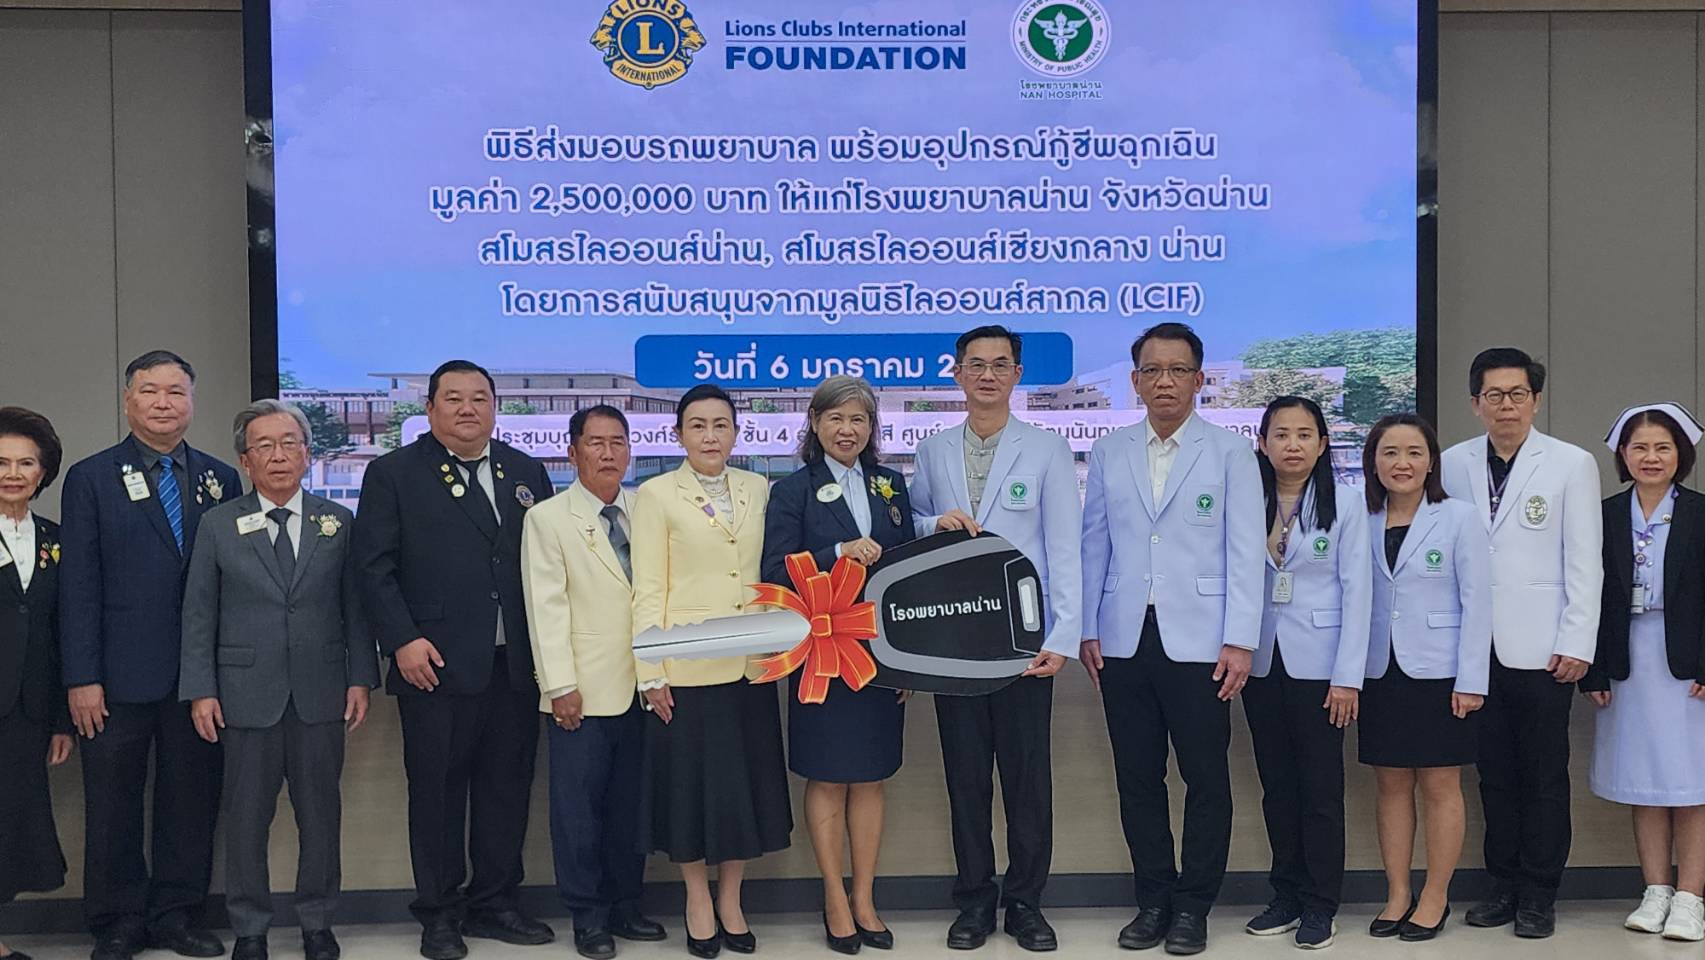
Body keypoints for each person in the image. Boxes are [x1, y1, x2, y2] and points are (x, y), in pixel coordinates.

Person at [352, 360, 556, 960]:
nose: (468, 409)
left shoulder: (525, 471)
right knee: (437, 794)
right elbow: (373, 568)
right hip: (433, 663)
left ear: (495, 407)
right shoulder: (394, 473)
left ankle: (495, 903)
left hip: (514, 664)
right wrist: (403, 640)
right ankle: (439, 913)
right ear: (431, 408)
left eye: (479, 398)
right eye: (454, 398)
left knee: (506, 790)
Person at [1080, 322, 1264, 956]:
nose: (1165, 382)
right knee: (1138, 778)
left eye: (1178, 370)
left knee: (1206, 779)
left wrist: (1240, 639)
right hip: (1124, 639)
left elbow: (1246, 551)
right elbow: (1095, 544)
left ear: (1199, 379)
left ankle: (1193, 906)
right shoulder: (1110, 450)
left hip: (1204, 643)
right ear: (1135, 381)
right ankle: (1154, 900)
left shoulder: (1231, 452)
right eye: (1153, 371)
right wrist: (1087, 628)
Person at [177, 401, 379, 960]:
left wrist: (361, 678)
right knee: (246, 820)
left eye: (290, 443)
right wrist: (201, 689)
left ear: (308, 454)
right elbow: (199, 613)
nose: (279, 455)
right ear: (245, 461)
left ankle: (318, 923)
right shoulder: (218, 524)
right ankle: (249, 928)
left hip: (322, 691)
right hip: (244, 695)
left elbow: (355, 608)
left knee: (321, 817)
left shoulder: (337, 521)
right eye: (264, 446)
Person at [58, 350, 241, 960]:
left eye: (176, 392)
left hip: (198, 677)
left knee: (191, 801)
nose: (164, 402)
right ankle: (117, 920)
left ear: (192, 401)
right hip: (113, 678)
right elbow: (78, 586)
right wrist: (82, 676)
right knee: (112, 805)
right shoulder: (91, 477)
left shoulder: (220, 478)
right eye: (150, 391)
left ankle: (176, 915)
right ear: (127, 400)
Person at [908, 326, 1081, 953]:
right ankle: (975, 901)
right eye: (975, 364)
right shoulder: (932, 450)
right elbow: (913, 529)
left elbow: (1064, 548)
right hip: (954, 640)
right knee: (966, 778)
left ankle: (1026, 902)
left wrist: (1062, 635)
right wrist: (934, 521)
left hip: (1024, 641)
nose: (987, 375)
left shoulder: (1047, 449)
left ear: (1016, 375)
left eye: (1000, 364)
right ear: (957, 373)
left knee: (1027, 779)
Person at [1439, 347, 1602, 938]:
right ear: (1475, 403)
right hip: (1473, 649)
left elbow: (1584, 560)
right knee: (1493, 775)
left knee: (1543, 776)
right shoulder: (1451, 463)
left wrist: (1578, 639)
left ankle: (1539, 892)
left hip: (1542, 648)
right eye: (1493, 395)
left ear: (1535, 400)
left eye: (1517, 394)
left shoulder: (1570, 463)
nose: (1505, 405)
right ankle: (1502, 885)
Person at [630, 384, 791, 959]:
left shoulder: (758, 488)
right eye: (697, 426)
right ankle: (697, 899)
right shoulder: (655, 495)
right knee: (691, 794)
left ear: (736, 433)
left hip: (750, 663)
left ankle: (731, 899)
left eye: (720, 425)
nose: (709, 436)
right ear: (678, 434)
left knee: (741, 792)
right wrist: (650, 671)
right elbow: (648, 587)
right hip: (687, 665)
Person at [761, 376, 913, 955]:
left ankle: (865, 898)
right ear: (815, 423)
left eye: (859, 420)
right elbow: (775, 572)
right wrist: (835, 554)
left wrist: (906, 663)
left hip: (879, 655)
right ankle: (833, 898)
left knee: (871, 775)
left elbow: (906, 574)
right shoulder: (792, 490)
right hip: (821, 655)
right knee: (827, 775)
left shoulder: (890, 484)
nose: (847, 430)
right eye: (836, 418)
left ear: (872, 428)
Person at [521, 405, 666, 960]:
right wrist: (560, 685)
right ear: (572, 451)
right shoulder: (548, 519)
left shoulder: (646, 508)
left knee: (631, 806)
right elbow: (546, 608)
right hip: (582, 689)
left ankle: (627, 905)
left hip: (645, 685)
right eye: (596, 443)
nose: (608, 453)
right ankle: (588, 917)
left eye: (618, 442)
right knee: (579, 812)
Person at [1240, 397, 1371, 950]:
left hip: (1321, 668)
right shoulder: (1246, 500)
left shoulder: (1348, 503)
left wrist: (1348, 677)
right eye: (1280, 434)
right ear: (1262, 443)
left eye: (1303, 434)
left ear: (1322, 443)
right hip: (1261, 661)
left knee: (1320, 790)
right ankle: (1286, 895)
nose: (1291, 445)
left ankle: (1321, 903)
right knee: (1277, 788)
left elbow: (1359, 593)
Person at [1360, 413, 1491, 943]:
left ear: (1431, 461)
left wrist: (1472, 679)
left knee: (1440, 785)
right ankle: (1397, 892)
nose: (1402, 463)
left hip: (1441, 670)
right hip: (1379, 669)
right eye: (1390, 452)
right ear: (1373, 461)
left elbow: (1478, 602)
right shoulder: (1360, 516)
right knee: (1390, 785)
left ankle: (1435, 895)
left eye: (1414, 452)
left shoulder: (1458, 517)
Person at [1583, 403, 1705, 941]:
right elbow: (1588, 594)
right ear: (1623, 455)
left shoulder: (1699, 512)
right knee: (1645, 781)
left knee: (1691, 783)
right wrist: (1594, 670)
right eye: (1640, 447)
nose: (1651, 457)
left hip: (1688, 663)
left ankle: (1691, 898)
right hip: (1627, 659)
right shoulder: (1605, 515)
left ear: (1681, 454)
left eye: (1662, 447)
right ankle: (1655, 890)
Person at [0, 407, 74, 960]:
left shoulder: (55, 539)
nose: (13, 473)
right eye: (1, 462)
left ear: (43, 471)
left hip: (26, 710)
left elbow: (60, 631)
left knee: (10, 826)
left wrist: (60, 719)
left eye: (26, 463)